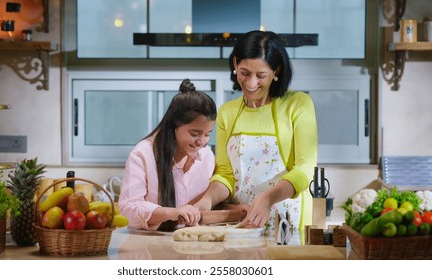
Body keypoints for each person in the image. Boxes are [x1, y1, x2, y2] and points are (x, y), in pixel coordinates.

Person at [194, 30, 318, 236]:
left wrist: (267, 198)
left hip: (286, 219)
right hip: (241, 222)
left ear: (276, 71)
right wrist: (207, 199)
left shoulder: (298, 104)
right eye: (244, 73)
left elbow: (304, 169)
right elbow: (225, 174)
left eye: (261, 75)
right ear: (235, 64)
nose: (251, 83)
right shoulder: (228, 112)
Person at [118, 78, 217, 232]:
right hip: (149, 246)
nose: (202, 142)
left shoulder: (207, 156)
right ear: (174, 126)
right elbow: (128, 209)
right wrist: (173, 213)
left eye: (208, 134)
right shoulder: (143, 154)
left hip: (193, 246)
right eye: (195, 133)